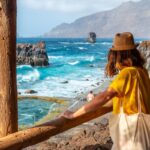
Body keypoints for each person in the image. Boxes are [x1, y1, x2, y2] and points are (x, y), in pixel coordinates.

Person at [61, 32, 150, 149]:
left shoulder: (127, 73)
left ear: (119, 55)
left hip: (132, 130)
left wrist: (74, 115)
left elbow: (105, 96)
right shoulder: (141, 71)